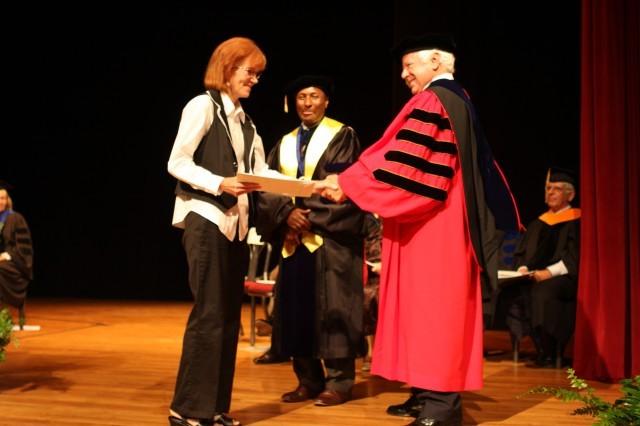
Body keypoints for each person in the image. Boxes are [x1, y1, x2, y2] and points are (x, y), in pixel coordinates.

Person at [319, 34, 521, 426]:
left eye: (410, 65)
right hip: (425, 224)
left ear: (436, 62)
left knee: (435, 311)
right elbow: (397, 155)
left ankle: (441, 407)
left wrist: (349, 183)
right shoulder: (449, 98)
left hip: (436, 225)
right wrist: (352, 180)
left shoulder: (436, 100)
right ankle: (424, 393)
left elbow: (411, 168)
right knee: (417, 308)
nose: (403, 73)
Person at [166, 36, 269, 426]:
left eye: (258, 74)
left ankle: (214, 408)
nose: (255, 80)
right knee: (209, 315)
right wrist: (218, 183)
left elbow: (261, 173)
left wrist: (308, 188)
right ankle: (188, 409)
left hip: (235, 227)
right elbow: (177, 162)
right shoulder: (202, 106)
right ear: (228, 69)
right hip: (206, 219)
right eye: (250, 72)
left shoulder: (246, 122)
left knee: (228, 319)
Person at [255, 75, 366, 406]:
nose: (307, 102)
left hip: (331, 242)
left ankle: (340, 382)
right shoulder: (284, 143)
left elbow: (346, 186)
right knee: (296, 310)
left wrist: (308, 219)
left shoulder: (342, 136)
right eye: (301, 96)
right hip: (294, 240)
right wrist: (285, 215)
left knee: (335, 309)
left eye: (314, 96)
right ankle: (308, 379)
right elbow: (266, 186)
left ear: (326, 100)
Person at [514, 167, 580, 367]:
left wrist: (548, 273)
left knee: (544, 291)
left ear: (570, 195)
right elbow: (524, 253)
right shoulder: (538, 223)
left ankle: (552, 352)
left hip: (565, 277)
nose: (550, 192)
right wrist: (523, 268)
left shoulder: (577, 221)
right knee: (513, 288)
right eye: (548, 188)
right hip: (535, 277)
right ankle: (539, 349)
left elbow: (574, 257)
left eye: (557, 189)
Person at [0, 181, 33, 312]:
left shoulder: (15, 218)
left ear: (7, 200)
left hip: (16, 263)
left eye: (2, 198)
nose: (0, 201)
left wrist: (6, 255)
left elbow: (24, 247)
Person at [361, 213, 382, 372]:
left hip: (388, 268)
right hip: (369, 270)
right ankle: (371, 351)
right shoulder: (365, 216)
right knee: (367, 298)